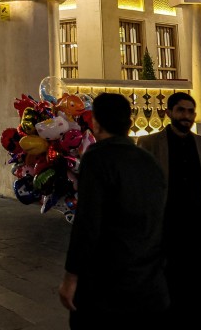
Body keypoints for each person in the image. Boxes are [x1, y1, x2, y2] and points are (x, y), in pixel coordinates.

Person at [58, 93, 167, 328]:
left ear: (95, 122)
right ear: (129, 123)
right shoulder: (148, 160)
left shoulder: (97, 158)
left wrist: (71, 275)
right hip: (147, 283)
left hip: (106, 285)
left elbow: (88, 222)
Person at [137, 92, 201, 329]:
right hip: (166, 239)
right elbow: (142, 189)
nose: (186, 116)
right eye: (181, 110)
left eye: (190, 111)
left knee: (198, 302)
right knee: (167, 301)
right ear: (168, 113)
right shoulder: (149, 144)